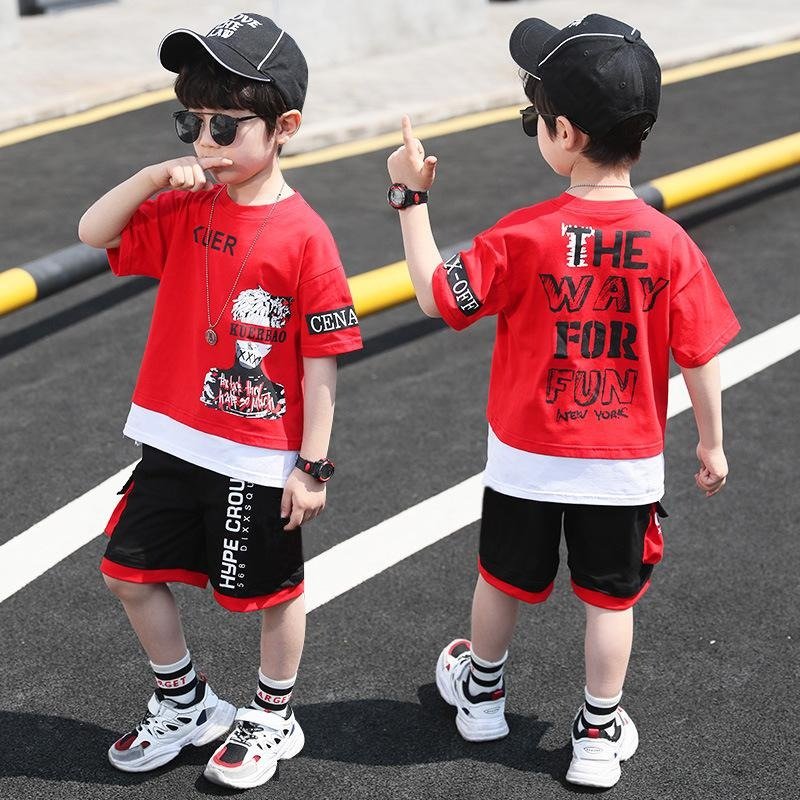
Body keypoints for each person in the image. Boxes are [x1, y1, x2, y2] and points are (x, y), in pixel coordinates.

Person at [386, 13, 739, 789]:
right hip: (623, 465)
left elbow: (437, 295)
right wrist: (711, 443)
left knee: (500, 579)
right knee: (611, 602)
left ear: (566, 134)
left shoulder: (525, 235)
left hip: (527, 457)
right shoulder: (669, 244)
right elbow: (700, 352)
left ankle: (481, 696)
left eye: (533, 119)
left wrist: (409, 198)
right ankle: (598, 732)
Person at [78, 11, 362, 790]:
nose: (206, 142)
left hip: (258, 455)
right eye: (192, 123)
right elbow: (94, 230)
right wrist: (150, 178)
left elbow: (323, 362)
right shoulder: (186, 206)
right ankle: (187, 703)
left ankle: (272, 714)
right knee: (127, 573)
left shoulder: (306, 236)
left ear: (285, 127)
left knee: (271, 592)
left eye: (226, 125)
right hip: (173, 438)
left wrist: (313, 466)